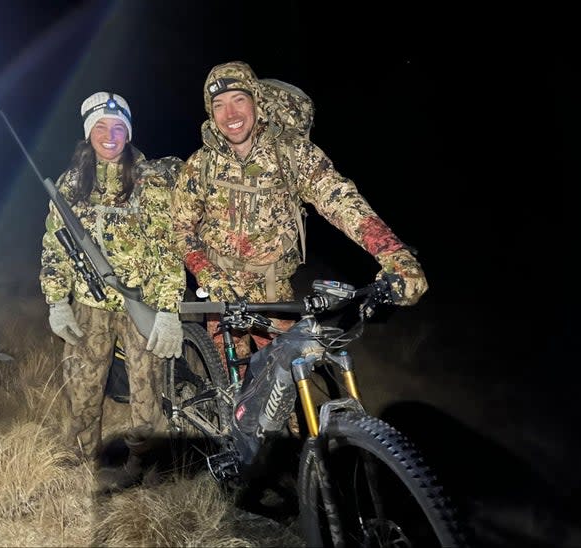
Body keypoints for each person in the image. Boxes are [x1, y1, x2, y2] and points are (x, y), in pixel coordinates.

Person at [172, 60, 428, 360]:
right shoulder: (200, 165)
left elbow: (339, 198)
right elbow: (181, 229)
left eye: (239, 99)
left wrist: (391, 251)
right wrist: (207, 274)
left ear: (256, 100)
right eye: (219, 104)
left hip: (275, 296)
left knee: (285, 387)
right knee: (232, 387)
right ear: (210, 113)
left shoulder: (292, 154)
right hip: (221, 295)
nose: (231, 114)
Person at [40, 91, 185, 490]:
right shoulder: (71, 184)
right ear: (88, 134)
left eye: (118, 127)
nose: (110, 135)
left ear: (128, 133)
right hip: (88, 305)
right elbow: (55, 245)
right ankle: (79, 461)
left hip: (142, 300)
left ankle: (148, 467)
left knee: (147, 393)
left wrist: (169, 310)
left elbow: (167, 247)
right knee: (82, 388)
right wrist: (57, 302)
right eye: (101, 127)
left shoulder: (150, 181)